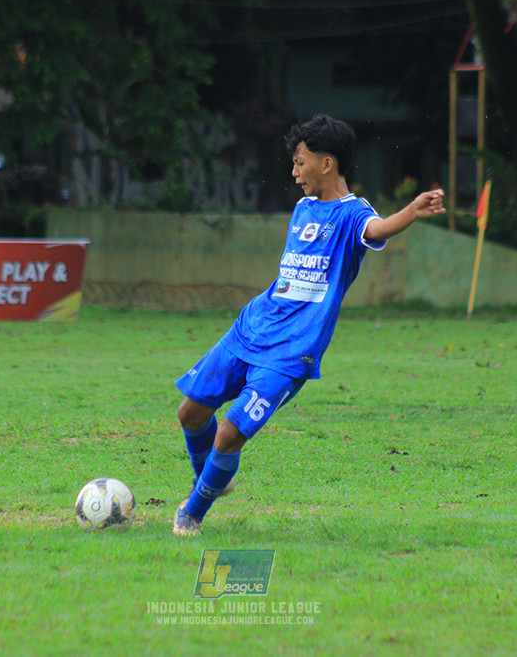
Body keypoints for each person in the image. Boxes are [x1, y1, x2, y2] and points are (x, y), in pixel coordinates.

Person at [172, 114, 446, 536]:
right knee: (190, 412)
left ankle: (192, 513)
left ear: (327, 163)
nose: (294, 172)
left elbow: (379, 228)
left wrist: (411, 209)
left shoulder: (353, 214)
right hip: (252, 327)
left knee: (228, 436)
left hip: (291, 351)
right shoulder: (302, 208)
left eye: (300, 162)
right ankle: (210, 479)